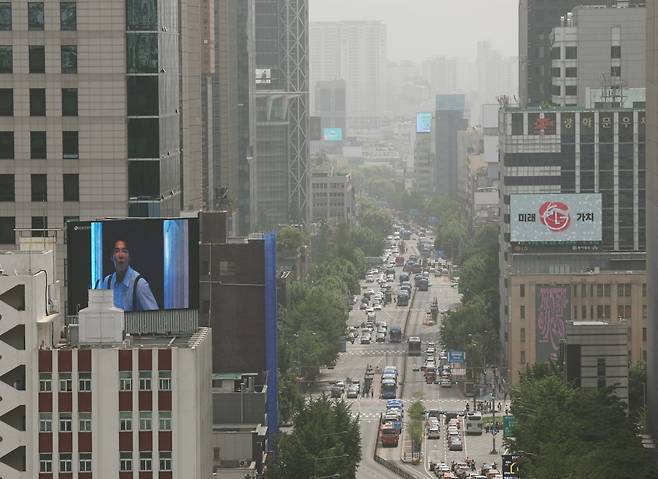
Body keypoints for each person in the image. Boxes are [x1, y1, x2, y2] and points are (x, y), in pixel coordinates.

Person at [96, 239, 159, 312]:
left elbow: (155, 316)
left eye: (124, 251)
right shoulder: (107, 282)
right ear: (112, 257)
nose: (120, 255)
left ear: (129, 257)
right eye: (117, 251)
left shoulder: (139, 284)